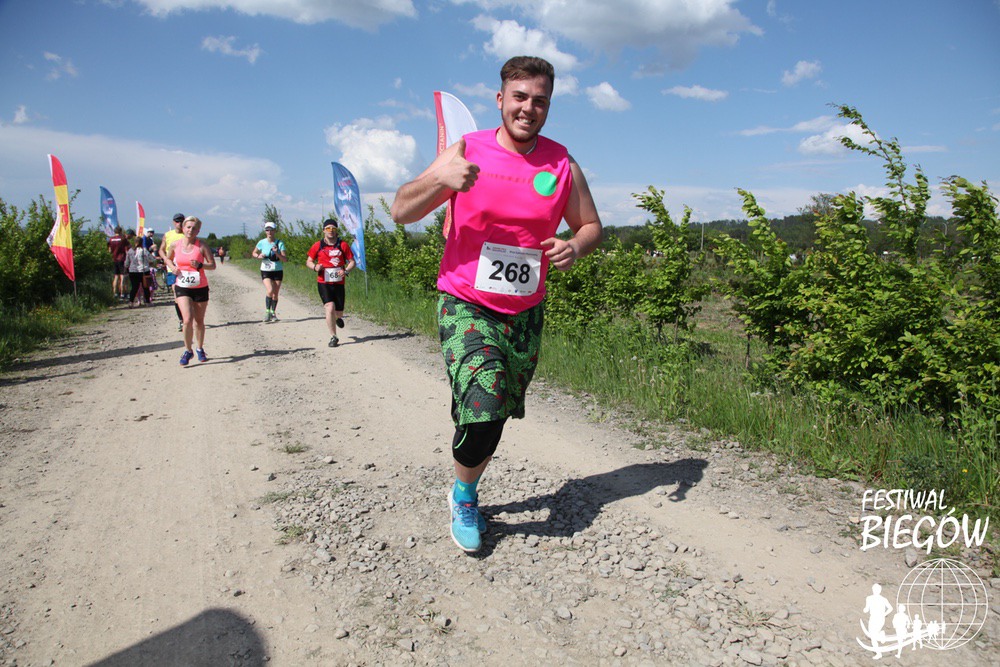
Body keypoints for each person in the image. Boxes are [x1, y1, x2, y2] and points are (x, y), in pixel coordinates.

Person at [390, 56, 603, 552]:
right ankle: (464, 497)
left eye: (540, 101)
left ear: (549, 106)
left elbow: (591, 226)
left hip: (525, 311)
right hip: (466, 300)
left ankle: (467, 455)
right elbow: (400, 210)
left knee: (496, 407)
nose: (528, 108)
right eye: (520, 97)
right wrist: (441, 180)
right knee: (486, 403)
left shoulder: (561, 163)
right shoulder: (468, 149)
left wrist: (575, 246)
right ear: (501, 99)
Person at [165, 216, 216, 366]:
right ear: (183, 228)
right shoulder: (175, 245)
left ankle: (199, 348)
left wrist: (200, 265)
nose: (190, 230)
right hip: (182, 286)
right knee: (187, 319)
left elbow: (213, 265)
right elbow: (168, 259)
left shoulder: (202, 246)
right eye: (188, 227)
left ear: (198, 231)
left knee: (199, 321)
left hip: (200, 287)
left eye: (194, 228)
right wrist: (172, 267)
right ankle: (188, 350)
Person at [305, 218, 355, 347]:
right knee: (329, 307)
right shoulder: (318, 245)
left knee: (339, 312)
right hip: (324, 282)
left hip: (338, 283)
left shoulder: (343, 245)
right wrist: (315, 267)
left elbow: (352, 262)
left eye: (333, 228)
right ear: (324, 230)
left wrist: (346, 271)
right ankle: (334, 336)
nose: (331, 231)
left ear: (336, 230)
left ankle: (338, 318)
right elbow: (308, 261)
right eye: (328, 228)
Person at [252, 222, 287, 323]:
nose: (269, 232)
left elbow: (285, 259)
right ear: (265, 231)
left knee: (275, 294)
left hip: (277, 270)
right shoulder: (261, 242)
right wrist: (258, 256)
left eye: (271, 230)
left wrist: (277, 253)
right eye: (267, 230)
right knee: (270, 290)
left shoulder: (279, 243)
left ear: (275, 231)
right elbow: (254, 252)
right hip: (265, 270)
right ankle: (267, 312)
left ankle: (273, 312)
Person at [159, 213, 187, 331]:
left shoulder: (187, 234)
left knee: (187, 295)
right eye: (177, 221)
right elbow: (161, 249)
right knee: (177, 294)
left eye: (181, 221)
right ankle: (181, 320)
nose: (179, 223)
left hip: (186, 270)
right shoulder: (168, 235)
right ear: (173, 222)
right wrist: (166, 259)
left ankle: (188, 317)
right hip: (172, 269)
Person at [124, 236, 154, 306]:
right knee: (146, 287)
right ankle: (147, 302)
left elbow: (126, 263)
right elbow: (152, 259)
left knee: (134, 287)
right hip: (144, 271)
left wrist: (126, 268)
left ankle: (131, 302)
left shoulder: (130, 251)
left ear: (134, 242)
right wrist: (149, 262)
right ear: (142, 242)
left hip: (133, 271)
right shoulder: (144, 250)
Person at [107, 226, 128, 300]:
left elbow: (109, 250)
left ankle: (114, 293)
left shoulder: (111, 239)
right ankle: (122, 293)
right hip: (122, 258)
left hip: (114, 259)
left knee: (116, 276)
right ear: (120, 231)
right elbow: (128, 248)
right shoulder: (123, 239)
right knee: (122, 276)